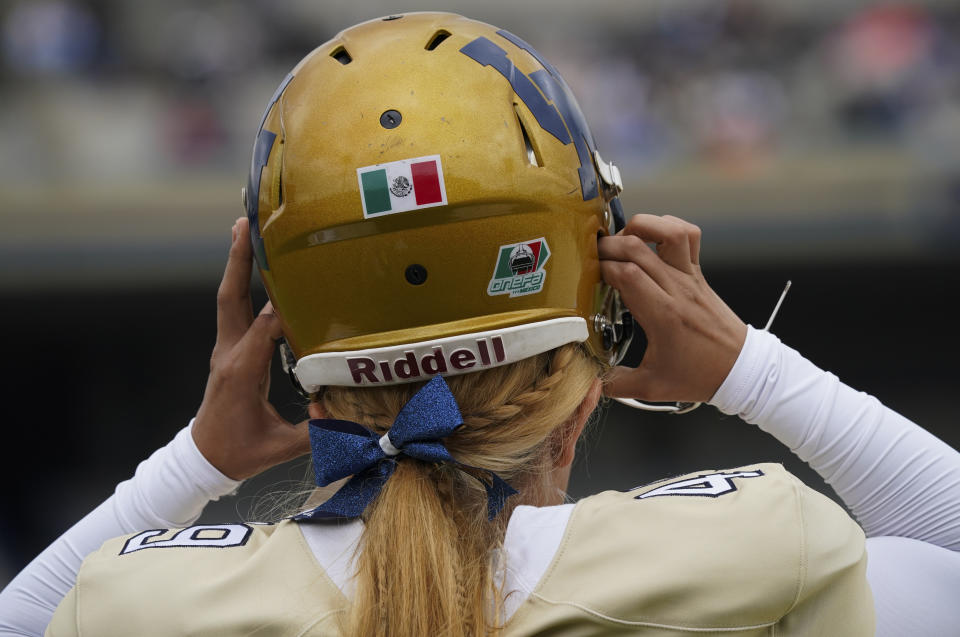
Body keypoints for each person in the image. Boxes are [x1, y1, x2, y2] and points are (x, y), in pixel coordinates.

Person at [2, 11, 960, 636]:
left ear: (281, 334)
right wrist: (752, 368)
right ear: (596, 332)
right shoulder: (763, 555)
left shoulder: (136, 607)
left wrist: (200, 458)